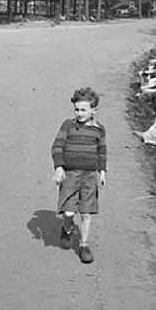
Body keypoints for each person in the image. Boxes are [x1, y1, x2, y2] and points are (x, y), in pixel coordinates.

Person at [51, 88, 107, 264]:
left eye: (84, 110)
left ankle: (83, 244)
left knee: (86, 213)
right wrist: (59, 168)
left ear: (94, 110)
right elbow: (57, 146)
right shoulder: (68, 126)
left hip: (89, 176)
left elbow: (102, 151)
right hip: (71, 175)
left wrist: (102, 171)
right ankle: (67, 229)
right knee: (68, 212)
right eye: (77, 109)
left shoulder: (99, 130)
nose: (80, 113)